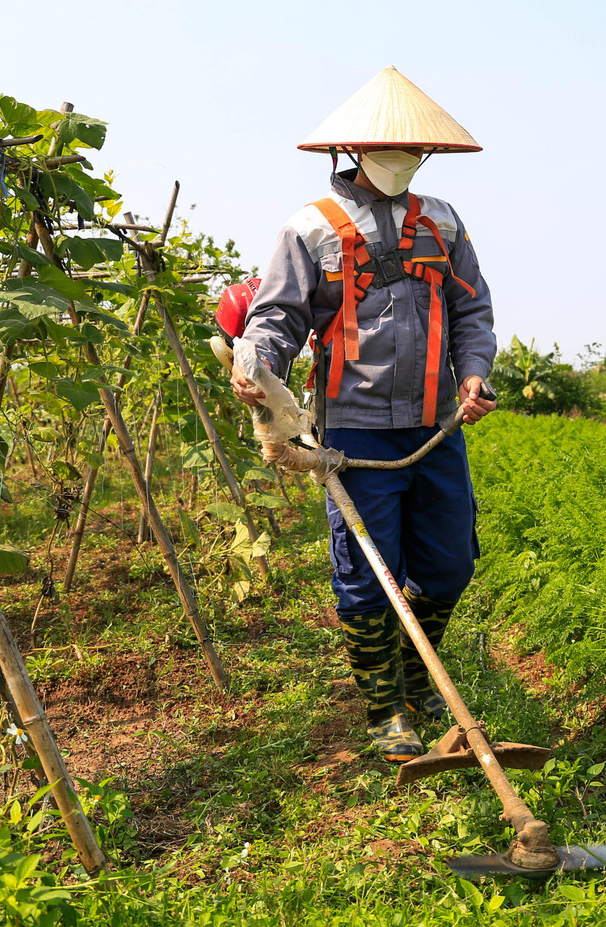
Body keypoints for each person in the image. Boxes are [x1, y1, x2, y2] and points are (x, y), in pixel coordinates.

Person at [230, 67, 497, 763]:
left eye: (410, 148)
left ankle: (415, 675)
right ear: (349, 152)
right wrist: (256, 365)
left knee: (447, 567)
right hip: (354, 433)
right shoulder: (310, 229)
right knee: (366, 575)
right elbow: (277, 317)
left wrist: (474, 376)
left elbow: (472, 310)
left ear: (426, 152)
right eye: (385, 146)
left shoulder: (443, 221)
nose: (400, 157)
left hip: (437, 426)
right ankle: (386, 708)